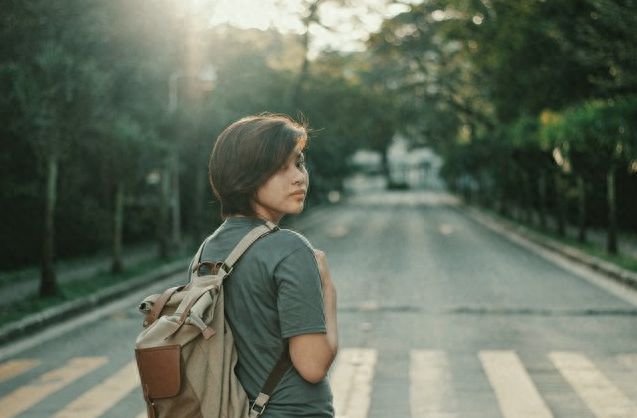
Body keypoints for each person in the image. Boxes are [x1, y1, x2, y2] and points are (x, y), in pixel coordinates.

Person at [204, 113, 338, 417]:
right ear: (245, 176)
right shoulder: (290, 249)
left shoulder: (207, 251)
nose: (298, 177)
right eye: (280, 168)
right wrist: (328, 290)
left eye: (299, 163)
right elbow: (313, 365)